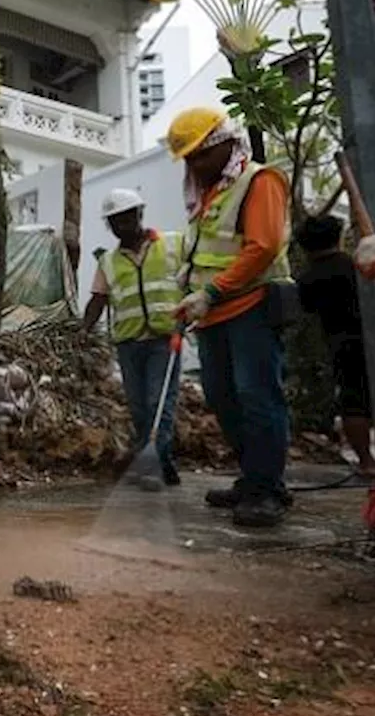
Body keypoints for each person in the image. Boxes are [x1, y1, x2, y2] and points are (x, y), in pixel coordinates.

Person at [168, 107, 293, 527]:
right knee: (222, 397)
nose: (193, 166)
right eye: (187, 159)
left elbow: (263, 247)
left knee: (257, 396)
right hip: (212, 315)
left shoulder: (259, 181)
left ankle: (268, 490)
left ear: (222, 145)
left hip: (252, 307)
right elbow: (201, 256)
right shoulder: (208, 197)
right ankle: (253, 477)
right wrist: (188, 296)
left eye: (198, 156)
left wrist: (213, 291)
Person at [82, 188, 183, 491]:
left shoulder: (172, 245)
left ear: (139, 214)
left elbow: (193, 278)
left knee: (158, 402)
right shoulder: (108, 262)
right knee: (139, 407)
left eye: (125, 218)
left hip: (164, 338)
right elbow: (98, 300)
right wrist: (83, 331)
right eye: (114, 221)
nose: (120, 225)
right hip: (129, 343)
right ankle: (161, 462)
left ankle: (151, 467)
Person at [296, 214, 375, 478]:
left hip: (341, 344)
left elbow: (305, 310)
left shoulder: (308, 278)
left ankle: (366, 463)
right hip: (369, 336)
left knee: (354, 403)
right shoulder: (355, 264)